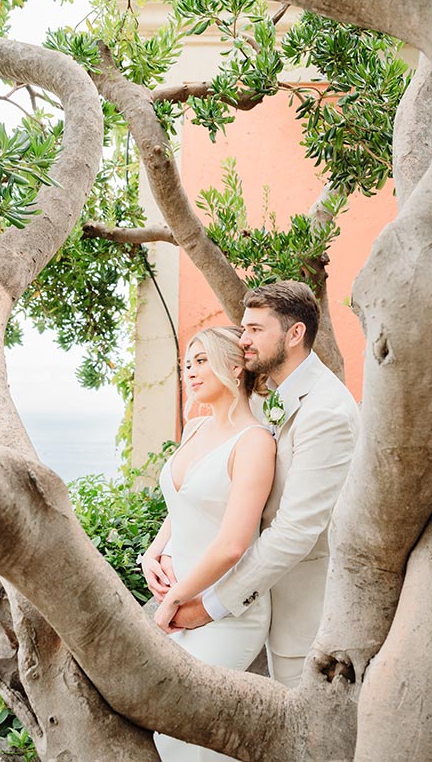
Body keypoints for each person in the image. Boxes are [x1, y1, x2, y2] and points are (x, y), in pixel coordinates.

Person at [155, 281, 360, 688]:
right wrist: (161, 552)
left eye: (254, 330)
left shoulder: (328, 412)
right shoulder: (269, 398)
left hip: (300, 617)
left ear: (295, 334)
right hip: (249, 597)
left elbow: (295, 532)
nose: (243, 341)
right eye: (243, 329)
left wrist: (209, 606)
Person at [141, 326, 277, 762]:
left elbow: (233, 543)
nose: (191, 372)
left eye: (201, 361)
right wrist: (152, 553)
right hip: (176, 603)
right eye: (187, 364)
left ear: (235, 368)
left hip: (222, 610)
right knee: (164, 728)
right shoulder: (195, 429)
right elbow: (181, 506)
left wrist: (174, 600)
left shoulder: (255, 442)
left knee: (189, 734)